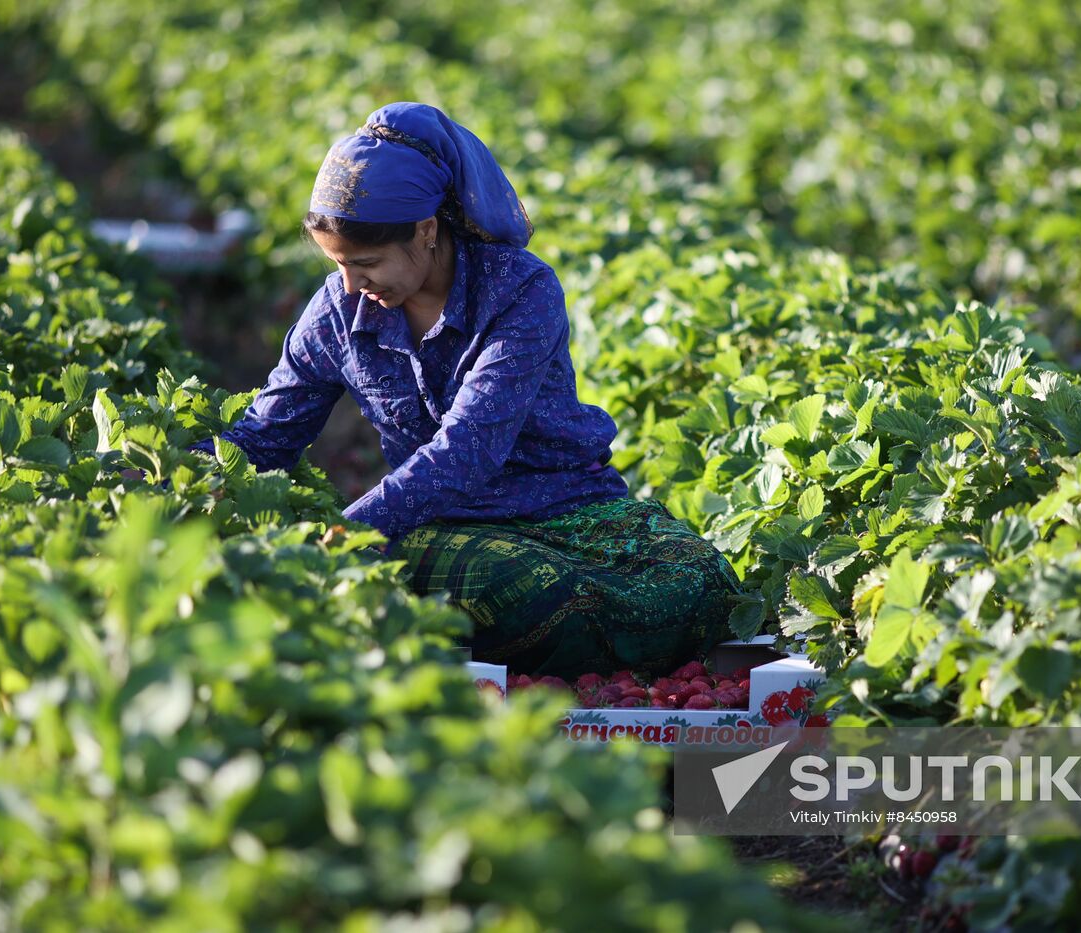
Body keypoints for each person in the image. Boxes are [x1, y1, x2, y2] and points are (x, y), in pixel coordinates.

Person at [194, 102, 743, 679]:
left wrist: (346, 533)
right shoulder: (337, 310)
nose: (351, 285)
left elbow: (468, 449)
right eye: (339, 265)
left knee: (699, 577)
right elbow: (267, 436)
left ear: (426, 231)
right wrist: (176, 478)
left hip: (573, 507)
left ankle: (534, 650)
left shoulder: (518, 290)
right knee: (533, 594)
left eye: (367, 263)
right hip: (449, 524)